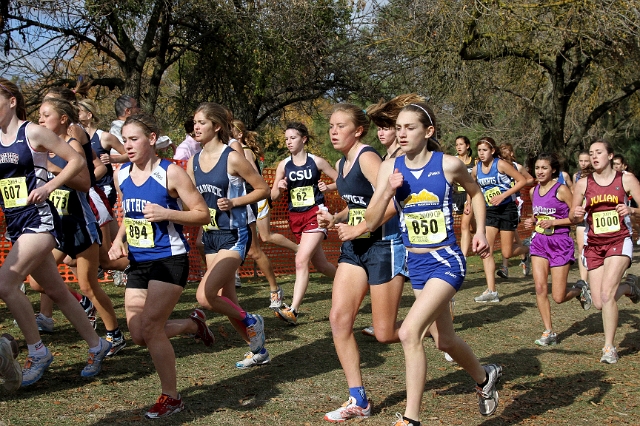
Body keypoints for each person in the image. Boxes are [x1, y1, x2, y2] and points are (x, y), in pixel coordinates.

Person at [365, 102, 501, 425]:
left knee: (409, 332)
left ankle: (411, 419)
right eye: (397, 128)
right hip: (418, 265)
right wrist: (387, 191)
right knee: (445, 340)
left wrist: (480, 231)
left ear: (428, 132)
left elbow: (476, 192)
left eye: (408, 127)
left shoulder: (449, 165)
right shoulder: (390, 168)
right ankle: (485, 378)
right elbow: (371, 221)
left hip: (447, 261)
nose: (401, 133)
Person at [0, 78, 110, 387]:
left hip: (40, 223)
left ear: (11, 101)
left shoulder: (32, 132)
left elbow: (77, 161)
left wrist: (49, 185)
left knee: (6, 285)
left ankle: (38, 352)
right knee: (58, 291)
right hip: (15, 223)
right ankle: (96, 344)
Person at [108, 113, 212, 418]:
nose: (127, 145)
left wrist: (168, 214)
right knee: (139, 333)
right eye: (124, 139)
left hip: (170, 259)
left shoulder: (171, 173)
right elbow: (130, 213)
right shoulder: (122, 175)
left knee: (151, 327)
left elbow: (202, 214)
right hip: (139, 262)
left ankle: (172, 397)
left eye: (134, 139)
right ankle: (194, 325)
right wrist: (118, 239)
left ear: (152, 139)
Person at [316, 104, 407, 422]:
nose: (333, 131)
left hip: (383, 245)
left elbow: (394, 202)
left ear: (358, 130)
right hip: (356, 248)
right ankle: (359, 399)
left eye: (341, 126)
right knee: (339, 320)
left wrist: (360, 226)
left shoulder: (368, 157)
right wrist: (336, 217)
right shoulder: (342, 163)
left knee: (384, 333)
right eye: (331, 125)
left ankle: (432, 330)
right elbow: (359, 204)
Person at [30, 97, 125, 357]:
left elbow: (84, 183)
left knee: (89, 285)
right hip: (57, 226)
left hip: (81, 223)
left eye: (45, 115)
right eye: (38, 115)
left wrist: (51, 169)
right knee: (37, 282)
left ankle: (114, 334)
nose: (40, 120)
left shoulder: (71, 146)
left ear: (63, 119)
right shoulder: (43, 147)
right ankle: (83, 304)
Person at [187, 104, 268, 369]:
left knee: (205, 295)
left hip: (234, 233)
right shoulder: (193, 161)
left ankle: (252, 320)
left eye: (202, 122)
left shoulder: (232, 157)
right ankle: (258, 350)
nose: (196, 127)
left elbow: (262, 189)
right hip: (210, 236)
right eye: (194, 122)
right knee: (226, 297)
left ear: (217, 126)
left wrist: (236, 202)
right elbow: (195, 201)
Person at [569, 140, 640, 364]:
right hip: (594, 243)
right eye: (591, 154)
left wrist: (631, 209)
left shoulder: (625, 179)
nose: (594, 157)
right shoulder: (582, 184)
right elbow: (573, 215)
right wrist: (577, 213)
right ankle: (630, 286)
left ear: (610, 156)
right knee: (599, 301)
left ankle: (609, 347)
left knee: (608, 294)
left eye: (599, 152)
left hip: (619, 240)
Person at [270, 122, 338, 324]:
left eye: (293, 138)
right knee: (322, 264)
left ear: (304, 139)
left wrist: (328, 188)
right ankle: (352, 283)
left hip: (316, 214)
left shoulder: (317, 162)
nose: (289, 142)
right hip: (295, 217)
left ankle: (293, 310)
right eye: (286, 139)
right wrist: (280, 188)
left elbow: (342, 180)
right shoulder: (283, 165)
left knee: (301, 260)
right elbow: (272, 195)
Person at [523, 152, 592, 346]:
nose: (540, 171)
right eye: (537, 168)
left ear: (553, 170)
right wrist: (532, 221)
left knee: (559, 297)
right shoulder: (533, 191)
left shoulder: (561, 190)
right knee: (539, 287)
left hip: (560, 242)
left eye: (544, 168)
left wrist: (554, 221)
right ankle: (548, 331)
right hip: (539, 243)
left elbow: (576, 217)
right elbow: (538, 216)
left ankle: (580, 289)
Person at [229, 119, 282, 309]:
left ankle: (274, 289)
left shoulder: (239, 150)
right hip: (220, 210)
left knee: (254, 249)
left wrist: (244, 199)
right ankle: (227, 293)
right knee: (203, 245)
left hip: (244, 204)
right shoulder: (207, 152)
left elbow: (255, 181)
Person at [77, 98, 131, 284]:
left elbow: (128, 153)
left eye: (79, 111)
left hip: (103, 189)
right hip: (86, 191)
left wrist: (113, 159)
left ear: (89, 115)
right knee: (116, 235)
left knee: (107, 242)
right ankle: (123, 264)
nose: (76, 114)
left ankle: (105, 263)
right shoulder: (77, 136)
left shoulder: (104, 136)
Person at [472, 137, 526, 302]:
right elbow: (472, 187)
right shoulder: (476, 169)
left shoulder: (501, 164)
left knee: (507, 252)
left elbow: (522, 180)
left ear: (492, 151)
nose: (481, 154)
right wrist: (469, 203)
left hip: (507, 209)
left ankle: (530, 247)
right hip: (490, 211)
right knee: (485, 249)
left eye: (485, 150)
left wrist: (504, 195)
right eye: (479, 150)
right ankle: (491, 291)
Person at [497, 143, 534, 278]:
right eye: (502, 151)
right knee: (512, 234)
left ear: (512, 153)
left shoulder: (517, 167)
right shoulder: (498, 166)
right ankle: (525, 255)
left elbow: (530, 179)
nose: (505, 154)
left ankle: (505, 266)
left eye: (507, 151)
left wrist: (519, 183)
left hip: (515, 202)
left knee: (510, 233)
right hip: (500, 203)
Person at [453, 136, 477, 257]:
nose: (458, 147)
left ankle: (463, 258)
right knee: (472, 229)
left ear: (467, 146)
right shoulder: (453, 161)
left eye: (461, 144)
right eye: (457, 145)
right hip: (456, 196)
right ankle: (481, 237)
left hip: (470, 196)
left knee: (464, 226)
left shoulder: (475, 162)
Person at [573, 149, 592, 286]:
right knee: (581, 248)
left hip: (596, 216)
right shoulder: (576, 176)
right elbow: (575, 195)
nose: (583, 163)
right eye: (581, 160)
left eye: (586, 160)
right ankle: (584, 281)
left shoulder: (597, 175)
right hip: (582, 216)